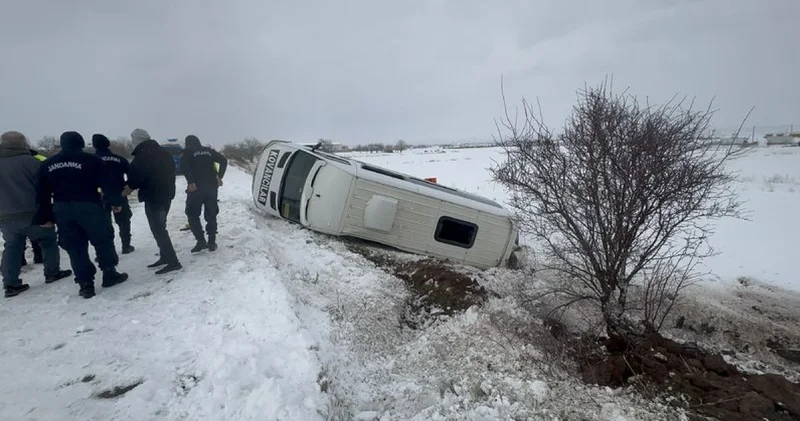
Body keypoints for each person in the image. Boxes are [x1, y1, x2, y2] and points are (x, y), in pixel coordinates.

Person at [34, 131, 128, 299]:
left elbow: (42, 193)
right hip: (90, 206)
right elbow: (107, 183)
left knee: (75, 247)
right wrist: (116, 202)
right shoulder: (92, 160)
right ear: (81, 143)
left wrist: (45, 216)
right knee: (103, 240)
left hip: (63, 209)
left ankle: (85, 284)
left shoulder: (48, 164)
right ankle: (109, 273)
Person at [0, 131, 72, 298]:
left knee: (12, 247)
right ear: (23, 143)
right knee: (48, 241)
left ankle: (10, 283)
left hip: (6, 216)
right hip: (34, 213)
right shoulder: (33, 163)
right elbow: (48, 186)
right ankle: (52, 272)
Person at [124, 128, 182, 274]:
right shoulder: (164, 153)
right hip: (166, 195)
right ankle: (164, 257)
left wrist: (129, 186)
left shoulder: (143, 155)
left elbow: (136, 176)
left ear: (137, 141)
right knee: (161, 226)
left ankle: (173, 261)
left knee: (158, 229)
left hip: (154, 197)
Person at [180, 135, 227, 252]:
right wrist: (219, 177)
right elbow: (223, 160)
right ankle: (212, 242)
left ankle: (201, 241)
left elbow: (184, 167)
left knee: (192, 214)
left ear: (188, 143)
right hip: (211, 188)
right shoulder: (209, 151)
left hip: (196, 188)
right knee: (211, 215)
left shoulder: (187, 151)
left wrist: (190, 181)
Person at [92, 134, 135, 254]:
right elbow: (132, 174)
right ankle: (126, 245)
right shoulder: (119, 159)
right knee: (124, 221)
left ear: (94, 145)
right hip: (119, 193)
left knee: (102, 224)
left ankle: (106, 251)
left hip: (98, 196)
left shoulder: (90, 160)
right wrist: (127, 185)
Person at [19, 149, 47, 266]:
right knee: (36, 231)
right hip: (31, 201)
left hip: (7, 206)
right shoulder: (39, 160)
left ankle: (19, 261)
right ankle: (39, 255)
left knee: (14, 238)